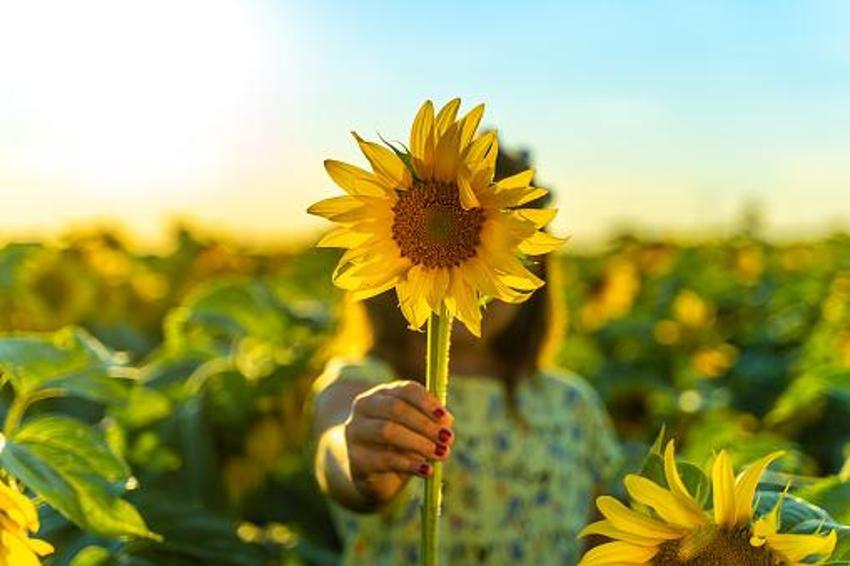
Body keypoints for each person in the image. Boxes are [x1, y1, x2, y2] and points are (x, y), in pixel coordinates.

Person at [311, 150, 622, 565]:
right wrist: (363, 453)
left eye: (504, 248)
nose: (472, 272)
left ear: (536, 277)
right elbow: (336, 446)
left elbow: (601, 542)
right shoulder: (365, 382)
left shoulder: (573, 404)